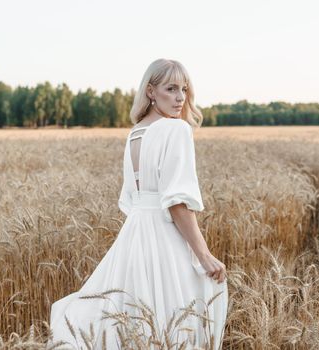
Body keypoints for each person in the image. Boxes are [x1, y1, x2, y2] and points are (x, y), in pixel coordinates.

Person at [47, 58, 228, 349]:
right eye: (171, 88)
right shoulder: (176, 130)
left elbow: (133, 200)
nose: (180, 97)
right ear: (151, 91)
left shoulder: (136, 133)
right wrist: (204, 255)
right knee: (177, 321)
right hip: (166, 237)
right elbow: (177, 203)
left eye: (184, 89)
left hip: (135, 236)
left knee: (134, 320)